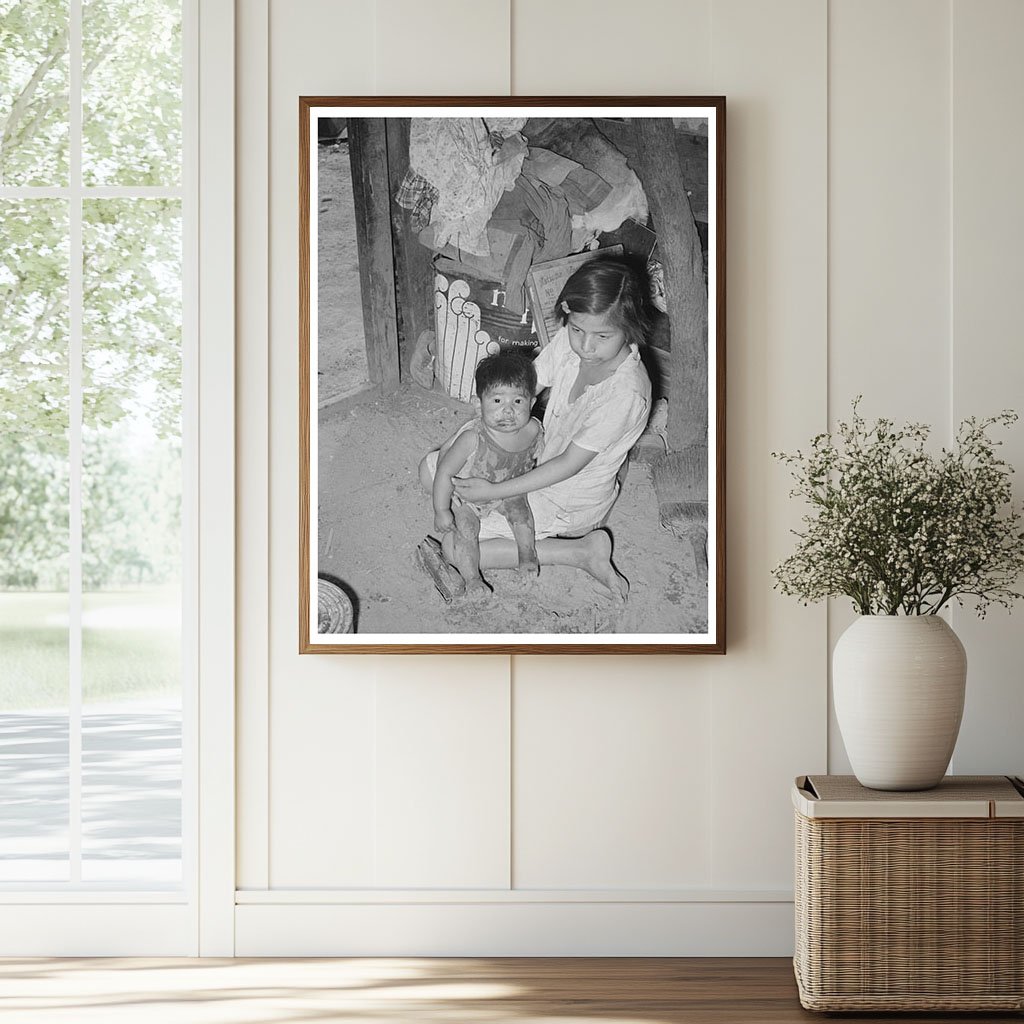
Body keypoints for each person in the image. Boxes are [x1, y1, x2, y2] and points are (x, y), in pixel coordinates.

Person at [422, 256, 653, 604]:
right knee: (431, 470)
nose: (586, 347)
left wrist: (490, 491)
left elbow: (566, 467)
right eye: (577, 330)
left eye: (603, 336)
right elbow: (527, 385)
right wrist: (487, 419)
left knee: (456, 548)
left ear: (630, 329)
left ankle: (581, 550)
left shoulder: (625, 394)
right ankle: (502, 507)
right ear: (568, 317)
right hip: (532, 461)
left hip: (566, 497)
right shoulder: (571, 341)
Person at [418, 353, 544, 599]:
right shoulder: (472, 438)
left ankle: (527, 554)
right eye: (497, 400)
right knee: (465, 529)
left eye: (518, 401)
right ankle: (473, 578)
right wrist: (442, 509)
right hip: (469, 498)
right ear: (479, 404)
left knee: (521, 513)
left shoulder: (533, 430)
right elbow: (445, 472)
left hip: (508, 490)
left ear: (531, 402)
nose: (508, 411)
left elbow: (540, 459)